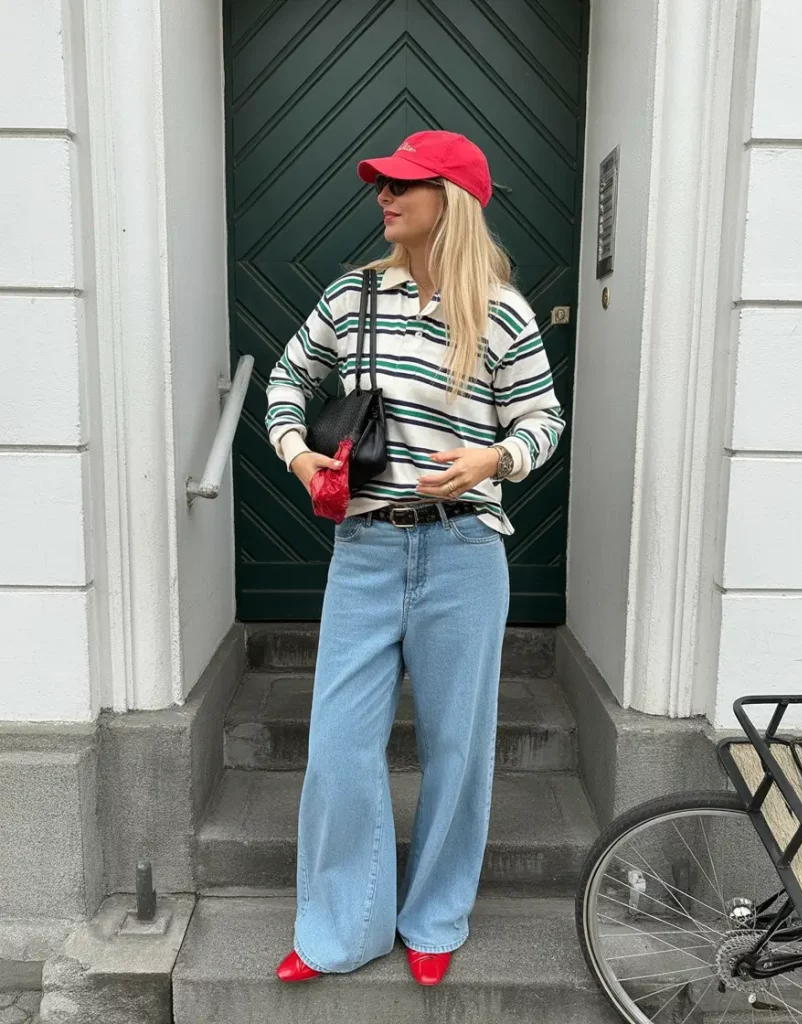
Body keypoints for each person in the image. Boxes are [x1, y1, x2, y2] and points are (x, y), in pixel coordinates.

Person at [264, 130, 565, 986]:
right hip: (364, 548)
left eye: (403, 185)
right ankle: (341, 927)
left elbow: (542, 419)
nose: (384, 197)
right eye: (382, 185)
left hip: (465, 550)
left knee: (457, 750)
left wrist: (494, 459)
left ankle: (434, 917)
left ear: (451, 200)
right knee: (338, 749)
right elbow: (285, 382)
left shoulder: (500, 311)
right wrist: (298, 456)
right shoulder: (351, 296)